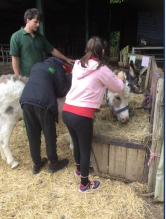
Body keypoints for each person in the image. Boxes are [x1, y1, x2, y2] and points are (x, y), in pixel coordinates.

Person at [62, 36, 125, 193]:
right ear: (102, 51)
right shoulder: (102, 69)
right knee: (84, 149)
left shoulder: (77, 64)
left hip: (67, 110)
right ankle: (84, 184)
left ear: (87, 50)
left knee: (77, 143)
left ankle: (79, 170)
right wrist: (121, 79)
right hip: (81, 114)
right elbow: (117, 88)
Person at [20, 57, 72, 174]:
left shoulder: (37, 65)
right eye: (65, 70)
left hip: (26, 101)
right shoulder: (56, 69)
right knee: (49, 134)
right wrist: (69, 77)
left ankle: (36, 164)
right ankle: (54, 163)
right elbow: (61, 91)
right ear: (62, 65)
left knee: (32, 134)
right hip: (43, 103)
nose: (65, 71)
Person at [10, 8, 74, 77]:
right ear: (28, 20)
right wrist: (17, 76)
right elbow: (15, 57)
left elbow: (52, 50)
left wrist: (67, 59)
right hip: (26, 76)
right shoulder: (16, 36)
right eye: (35, 22)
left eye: (39, 22)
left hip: (41, 74)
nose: (38, 25)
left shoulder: (40, 37)